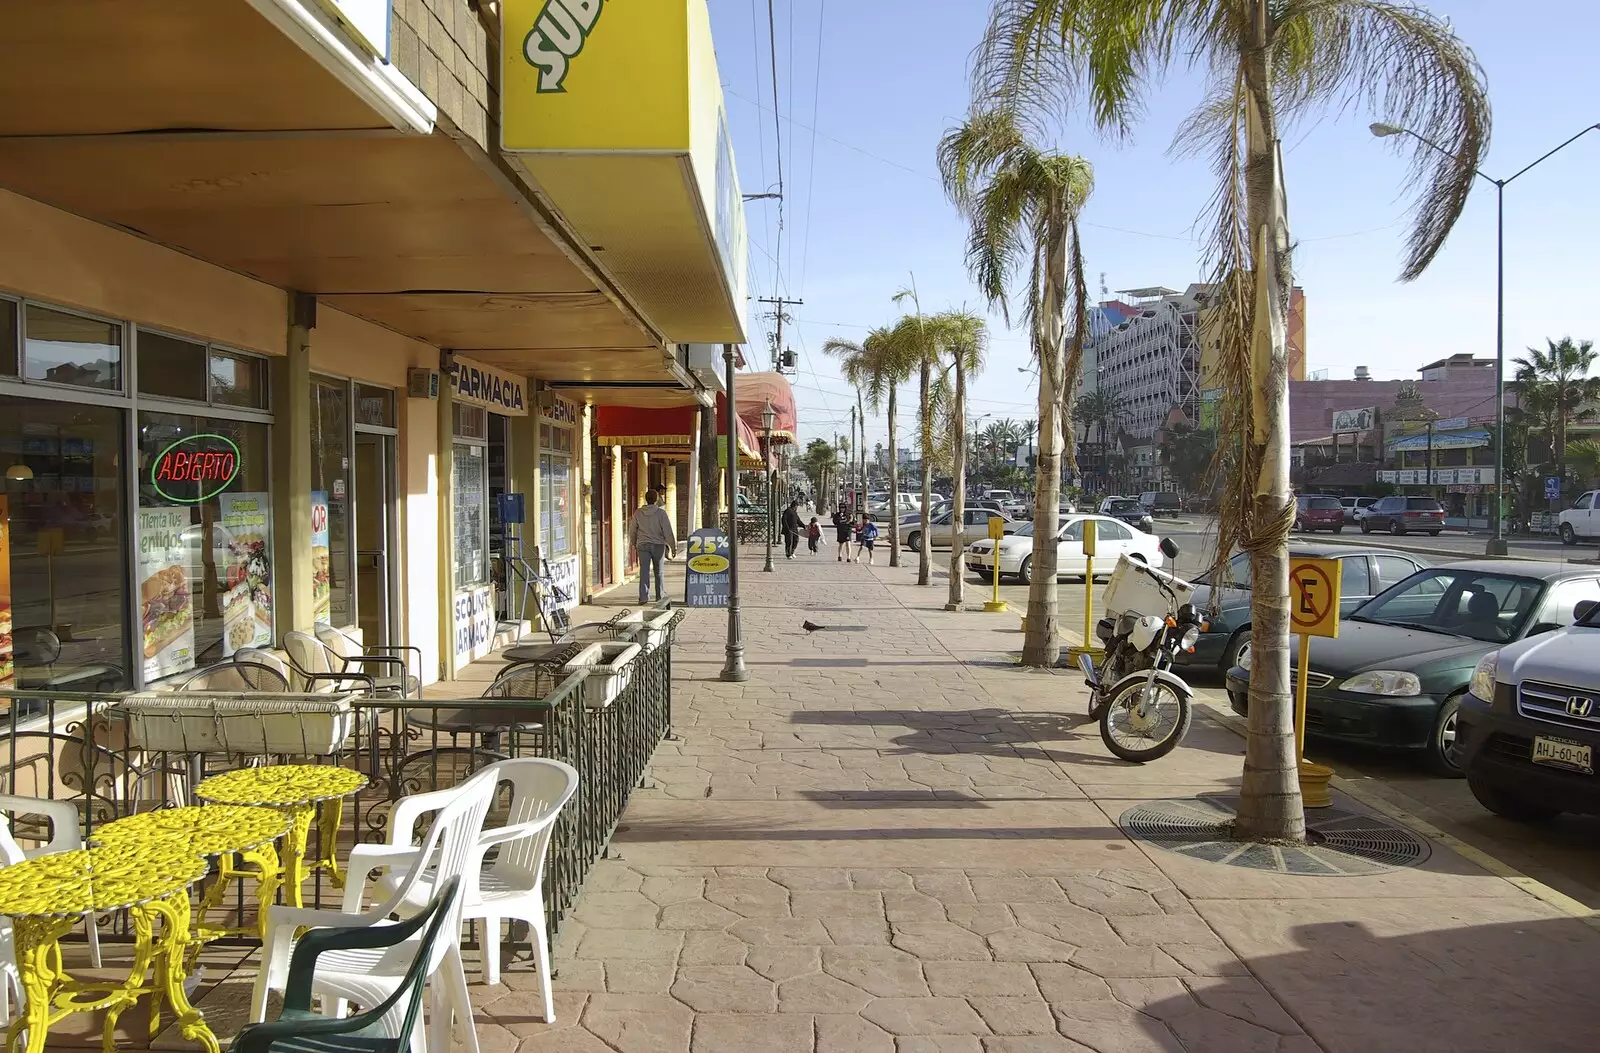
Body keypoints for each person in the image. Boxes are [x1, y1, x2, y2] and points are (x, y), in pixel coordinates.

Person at [627, 489, 677, 603]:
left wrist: (634, 543)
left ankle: (643, 597)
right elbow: (667, 531)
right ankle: (660, 596)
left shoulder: (638, 513)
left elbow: (632, 530)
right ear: (656, 500)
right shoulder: (661, 513)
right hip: (658, 545)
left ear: (646, 499)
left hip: (642, 544)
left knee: (644, 571)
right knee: (659, 571)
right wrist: (673, 547)